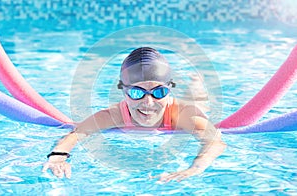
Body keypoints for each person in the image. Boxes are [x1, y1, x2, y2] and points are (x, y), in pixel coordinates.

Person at [42, 47, 226, 182]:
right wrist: (57, 157)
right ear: (123, 91)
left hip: (189, 107)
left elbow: (215, 141)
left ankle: (196, 82)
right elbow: (76, 134)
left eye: (159, 92)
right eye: (137, 93)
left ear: (169, 90)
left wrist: (195, 168)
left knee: (198, 101)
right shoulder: (115, 115)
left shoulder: (183, 114)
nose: (148, 102)